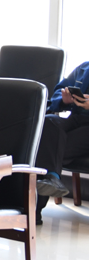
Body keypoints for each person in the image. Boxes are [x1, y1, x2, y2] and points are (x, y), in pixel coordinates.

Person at [31, 62, 89, 201]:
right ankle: (51, 179)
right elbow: (59, 91)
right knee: (49, 121)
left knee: (46, 147)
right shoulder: (84, 68)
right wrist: (64, 100)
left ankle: (50, 179)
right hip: (76, 118)